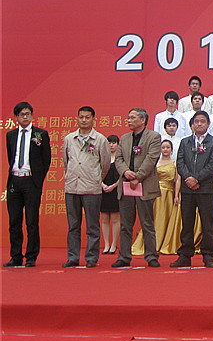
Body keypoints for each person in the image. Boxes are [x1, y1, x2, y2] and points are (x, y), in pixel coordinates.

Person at [171, 111, 213, 268]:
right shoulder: (185, 142)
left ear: (208, 124)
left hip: (205, 189)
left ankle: (208, 255)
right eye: (196, 121)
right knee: (187, 222)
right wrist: (189, 178)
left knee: (207, 223)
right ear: (192, 124)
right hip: (187, 189)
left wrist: (197, 179)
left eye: (202, 121)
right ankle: (185, 255)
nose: (199, 124)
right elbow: (180, 163)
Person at [61, 106, 111, 268]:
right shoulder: (69, 138)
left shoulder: (100, 139)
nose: (84, 120)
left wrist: (96, 178)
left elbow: (105, 165)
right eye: (81, 117)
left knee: (92, 226)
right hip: (72, 187)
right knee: (73, 225)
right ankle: (72, 257)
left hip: (91, 188)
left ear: (93, 119)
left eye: (87, 117)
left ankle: (91, 257)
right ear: (77, 118)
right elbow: (66, 162)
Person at [112, 108, 161, 268]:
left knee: (147, 223)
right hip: (127, 184)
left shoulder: (153, 137)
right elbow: (119, 158)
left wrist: (138, 176)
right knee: (126, 224)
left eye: (132, 118)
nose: (129, 120)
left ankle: (151, 256)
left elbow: (151, 159)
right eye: (128, 118)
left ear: (143, 120)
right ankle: (124, 256)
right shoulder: (125, 138)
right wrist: (126, 172)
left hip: (144, 185)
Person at [4, 102, 51, 268]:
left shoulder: (40, 134)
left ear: (32, 115)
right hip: (15, 180)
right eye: (22, 114)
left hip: (31, 181)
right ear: (16, 117)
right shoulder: (10, 135)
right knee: (14, 221)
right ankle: (16, 256)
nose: (25, 117)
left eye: (28, 114)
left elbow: (46, 159)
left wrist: (38, 180)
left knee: (32, 221)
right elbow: (11, 156)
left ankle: (31, 256)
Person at [100, 135, 121, 255]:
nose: (111, 145)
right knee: (104, 219)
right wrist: (102, 185)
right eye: (109, 143)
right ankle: (106, 244)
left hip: (116, 190)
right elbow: (97, 172)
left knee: (115, 218)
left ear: (118, 144)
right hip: (103, 190)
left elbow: (122, 176)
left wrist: (113, 186)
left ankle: (114, 244)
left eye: (114, 143)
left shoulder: (120, 159)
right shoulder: (103, 158)